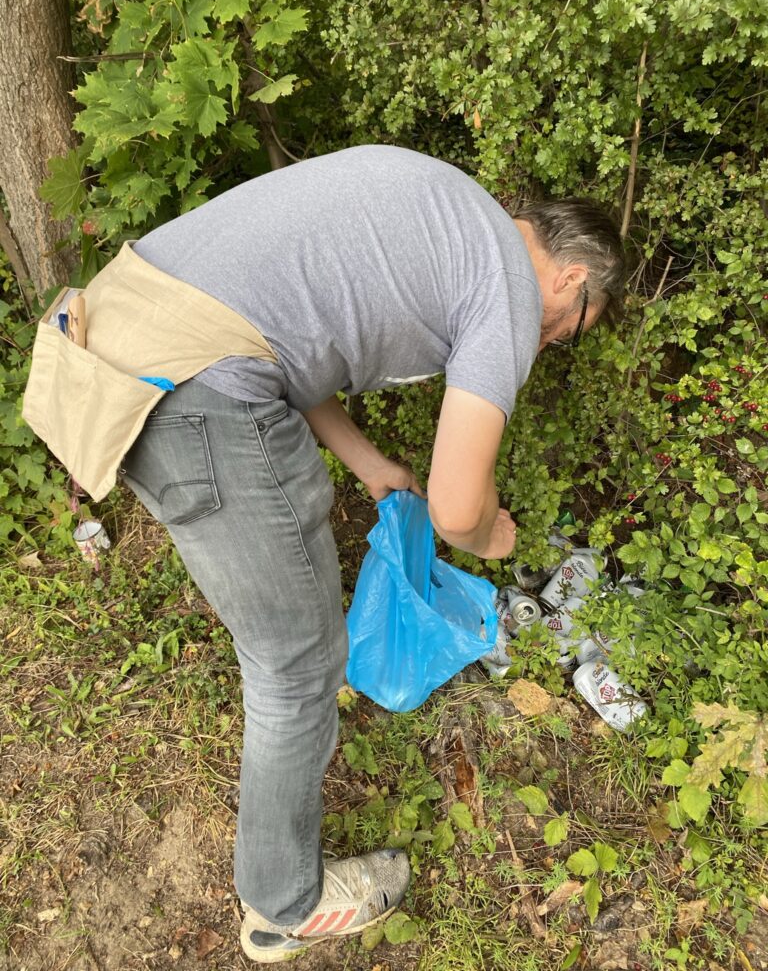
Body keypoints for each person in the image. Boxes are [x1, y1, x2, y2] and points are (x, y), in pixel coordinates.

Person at [71, 146, 627, 962]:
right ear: (572, 281)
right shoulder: (509, 291)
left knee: (278, 639)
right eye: (573, 333)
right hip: (198, 393)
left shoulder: (447, 211)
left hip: (117, 343)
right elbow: (456, 504)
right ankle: (282, 906)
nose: (550, 346)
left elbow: (288, 335)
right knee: (297, 665)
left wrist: (367, 463)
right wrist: (487, 536)